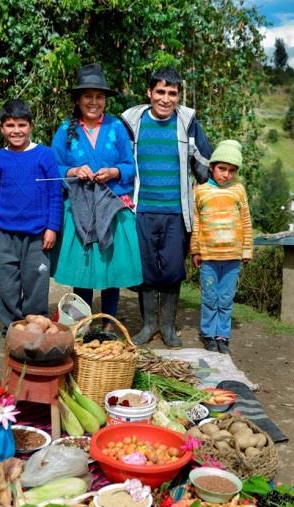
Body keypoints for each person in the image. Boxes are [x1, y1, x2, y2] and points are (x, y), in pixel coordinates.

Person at [121, 67, 212, 347]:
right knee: (146, 270)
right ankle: (148, 326)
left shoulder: (187, 123)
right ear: (149, 93)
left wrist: (210, 179)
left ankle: (169, 327)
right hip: (143, 209)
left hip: (176, 211)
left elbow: (206, 161)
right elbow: (121, 161)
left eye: (172, 93)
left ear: (178, 96)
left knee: (172, 270)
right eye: (160, 92)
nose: (165, 98)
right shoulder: (132, 122)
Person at [51, 63, 142, 327]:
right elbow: (54, 168)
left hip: (112, 209)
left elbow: (129, 165)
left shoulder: (116, 128)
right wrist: (74, 170)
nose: (94, 102)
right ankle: (84, 324)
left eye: (99, 97)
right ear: (78, 100)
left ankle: (109, 324)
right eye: (88, 96)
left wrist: (113, 172)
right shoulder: (64, 131)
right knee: (85, 270)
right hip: (79, 211)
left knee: (110, 268)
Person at [0, 99, 63, 336]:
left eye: (21, 125)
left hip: (37, 234)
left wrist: (52, 227)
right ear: (2, 128)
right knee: (5, 283)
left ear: (31, 126)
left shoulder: (45, 155)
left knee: (36, 282)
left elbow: (55, 194)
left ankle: (34, 325)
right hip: (4, 232)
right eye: (10, 125)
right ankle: (11, 326)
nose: (16, 131)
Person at [190, 140, 253, 354]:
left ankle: (222, 336)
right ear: (212, 167)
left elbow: (246, 221)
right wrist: (196, 250)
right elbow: (196, 222)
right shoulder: (200, 191)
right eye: (222, 169)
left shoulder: (238, 191)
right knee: (210, 297)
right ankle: (208, 334)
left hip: (233, 257)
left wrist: (247, 249)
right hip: (209, 256)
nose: (226, 175)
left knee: (225, 299)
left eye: (231, 171)